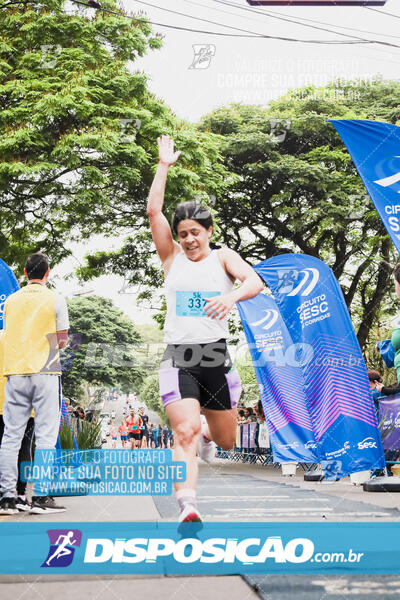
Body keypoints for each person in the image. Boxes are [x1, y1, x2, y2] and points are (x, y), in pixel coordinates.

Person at [147, 135, 263, 522]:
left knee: (226, 439)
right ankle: (188, 505)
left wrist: (231, 299)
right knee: (184, 434)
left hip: (215, 353)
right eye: (183, 234)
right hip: (179, 355)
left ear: (209, 231)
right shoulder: (171, 259)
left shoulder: (223, 257)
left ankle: (210, 431)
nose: (189, 239)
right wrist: (163, 166)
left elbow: (254, 282)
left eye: (195, 232)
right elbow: (153, 211)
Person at [0, 252, 69, 514]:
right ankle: (39, 497)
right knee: (45, 437)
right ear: (47, 273)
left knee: (11, 436)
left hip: (15, 372)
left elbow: (9, 334)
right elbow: (61, 340)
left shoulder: (12, 301)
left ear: (25, 273)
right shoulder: (56, 298)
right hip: (46, 372)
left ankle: (8, 498)